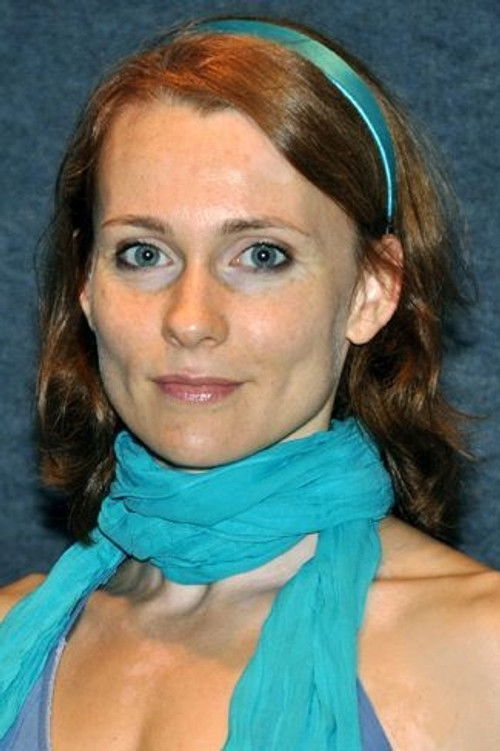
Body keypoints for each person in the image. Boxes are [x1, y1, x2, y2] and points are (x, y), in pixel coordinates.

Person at [0, 15, 499, 750]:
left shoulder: (481, 656)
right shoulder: (12, 635)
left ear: (372, 289)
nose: (190, 320)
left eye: (262, 255)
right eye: (143, 253)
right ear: (86, 286)